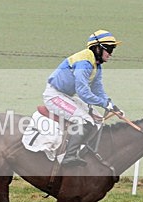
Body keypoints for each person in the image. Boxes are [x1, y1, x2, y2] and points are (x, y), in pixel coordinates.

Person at [43, 29, 123, 166]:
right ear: (97, 48)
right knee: (84, 121)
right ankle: (69, 156)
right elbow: (83, 92)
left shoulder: (96, 65)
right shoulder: (84, 62)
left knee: (98, 119)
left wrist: (111, 105)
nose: (110, 54)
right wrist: (104, 104)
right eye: (109, 49)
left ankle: (84, 151)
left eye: (112, 49)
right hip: (54, 95)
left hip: (66, 96)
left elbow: (97, 89)